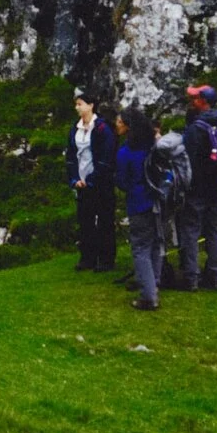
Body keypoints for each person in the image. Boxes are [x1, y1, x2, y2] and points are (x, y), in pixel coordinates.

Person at [177, 80, 217, 294]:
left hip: (196, 188)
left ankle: (191, 277)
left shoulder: (196, 129)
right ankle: (215, 276)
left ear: (203, 102)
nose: (191, 101)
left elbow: (188, 162)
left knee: (190, 231)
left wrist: (183, 185)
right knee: (213, 230)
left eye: (194, 98)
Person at [116, 106, 164, 311]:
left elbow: (122, 181)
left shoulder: (126, 152)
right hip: (159, 201)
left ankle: (148, 296)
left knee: (140, 248)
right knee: (155, 245)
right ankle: (154, 284)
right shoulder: (153, 146)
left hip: (138, 202)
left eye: (119, 121)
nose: (116, 123)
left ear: (127, 126)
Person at [68, 91, 118, 273]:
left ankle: (106, 259)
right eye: (76, 104)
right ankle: (87, 257)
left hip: (100, 182)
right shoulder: (75, 128)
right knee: (85, 220)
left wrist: (92, 178)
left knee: (104, 220)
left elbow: (106, 156)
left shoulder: (102, 128)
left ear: (91, 105)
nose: (77, 107)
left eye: (80, 104)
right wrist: (74, 178)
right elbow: (71, 155)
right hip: (82, 181)